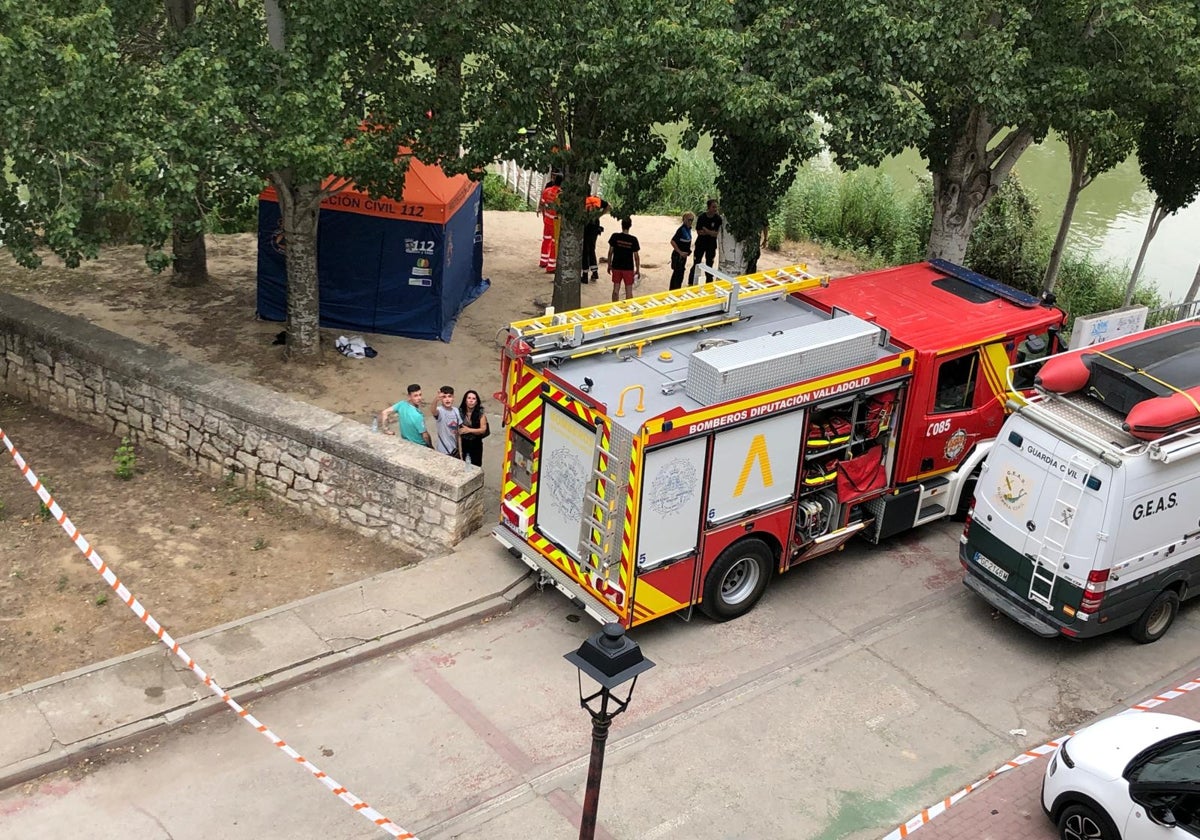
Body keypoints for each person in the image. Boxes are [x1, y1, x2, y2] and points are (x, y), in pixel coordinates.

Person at [606, 217, 641, 302]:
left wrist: (609, 264)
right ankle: (627, 311)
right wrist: (637, 269)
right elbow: (636, 257)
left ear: (621, 225)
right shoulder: (633, 240)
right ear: (630, 226)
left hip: (616, 266)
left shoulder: (615, 236)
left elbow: (610, 252)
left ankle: (614, 306)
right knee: (629, 292)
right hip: (628, 268)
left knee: (615, 290)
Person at [581, 191, 610, 284]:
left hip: (586, 226)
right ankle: (595, 272)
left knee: (585, 250)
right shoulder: (596, 200)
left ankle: (585, 275)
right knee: (592, 249)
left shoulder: (582, 201)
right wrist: (599, 215)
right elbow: (609, 206)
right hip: (595, 226)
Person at [537, 173, 562, 273]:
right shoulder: (560, 194)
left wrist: (544, 214)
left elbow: (542, 204)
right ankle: (551, 266)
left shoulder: (547, 191)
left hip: (547, 219)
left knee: (546, 240)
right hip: (555, 221)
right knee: (553, 243)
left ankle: (543, 261)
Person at [693, 198, 722, 283]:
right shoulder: (702, 217)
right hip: (700, 244)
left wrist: (707, 231)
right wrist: (710, 232)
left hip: (711, 245)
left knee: (709, 264)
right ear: (708, 207)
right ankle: (692, 281)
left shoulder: (718, 219)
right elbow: (699, 232)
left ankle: (709, 282)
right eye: (713, 207)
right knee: (696, 263)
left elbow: (717, 234)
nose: (715, 209)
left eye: (716, 207)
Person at [457, 389, 489, 467]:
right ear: (465, 400)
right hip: (464, 443)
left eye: (473, 399)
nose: (471, 401)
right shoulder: (459, 412)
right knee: (465, 465)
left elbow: (483, 430)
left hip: (476, 443)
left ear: (477, 402)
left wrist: (468, 430)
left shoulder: (480, 413)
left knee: (476, 465)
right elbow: (457, 431)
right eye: (469, 398)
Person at [431, 385, 462, 456]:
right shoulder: (440, 410)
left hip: (454, 450)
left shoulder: (456, 410)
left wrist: (460, 452)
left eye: (449, 396)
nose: (447, 399)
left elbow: (458, 433)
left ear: (453, 398)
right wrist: (436, 399)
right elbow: (433, 411)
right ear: (441, 399)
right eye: (444, 397)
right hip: (443, 451)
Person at [668, 212, 694, 291]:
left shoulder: (688, 229)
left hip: (683, 257)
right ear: (684, 220)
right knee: (677, 275)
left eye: (692, 220)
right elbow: (672, 241)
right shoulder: (681, 230)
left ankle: (676, 290)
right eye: (689, 220)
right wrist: (680, 252)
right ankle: (674, 291)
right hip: (678, 256)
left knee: (680, 274)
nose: (690, 222)